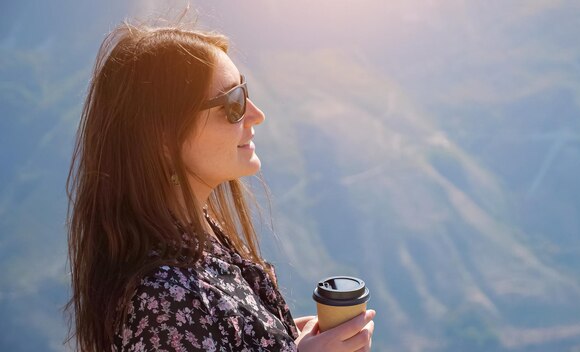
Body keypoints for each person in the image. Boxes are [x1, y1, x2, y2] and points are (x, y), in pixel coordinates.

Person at [65, 18, 375, 352]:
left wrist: (279, 340)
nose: (256, 114)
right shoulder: (167, 302)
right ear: (163, 138)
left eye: (245, 93)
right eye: (233, 103)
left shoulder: (197, 240)